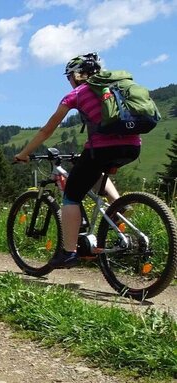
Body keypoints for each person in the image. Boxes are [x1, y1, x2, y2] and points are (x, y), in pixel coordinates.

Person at [13, 52, 140, 268]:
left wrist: (24, 153)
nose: (70, 81)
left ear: (78, 74)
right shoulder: (117, 87)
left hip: (102, 149)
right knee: (95, 169)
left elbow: (47, 130)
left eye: (69, 76)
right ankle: (118, 206)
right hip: (132, 146)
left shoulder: (77, 94)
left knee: (71, 196)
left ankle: (69, 253)